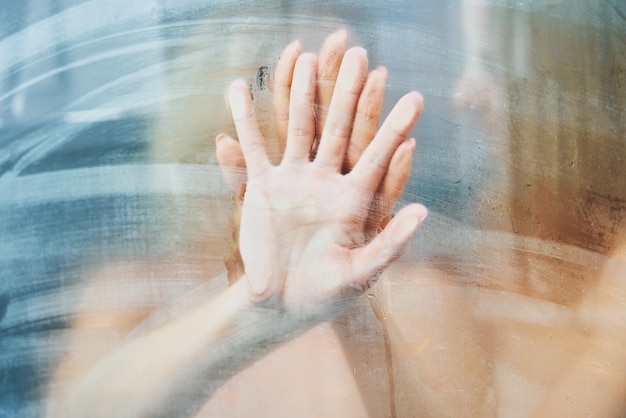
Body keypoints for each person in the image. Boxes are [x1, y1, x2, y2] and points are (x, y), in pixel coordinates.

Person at [46, 32, 428, 417]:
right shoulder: (128, 293)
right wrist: (252, 309)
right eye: (277, 82)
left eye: (341, 89)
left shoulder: (421, 299)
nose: (314, 115)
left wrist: (353, 309)